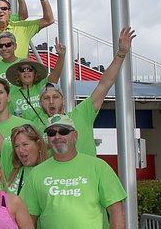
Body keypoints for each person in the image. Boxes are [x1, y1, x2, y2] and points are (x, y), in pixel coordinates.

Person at [39, 28, 136, 157]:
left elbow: (105, 84)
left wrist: (121, 54)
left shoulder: (82, 113)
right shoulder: (36, 128)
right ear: (40, 103)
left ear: (63, 100)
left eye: (55, 97)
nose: (51, 101)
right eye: (46, 98)